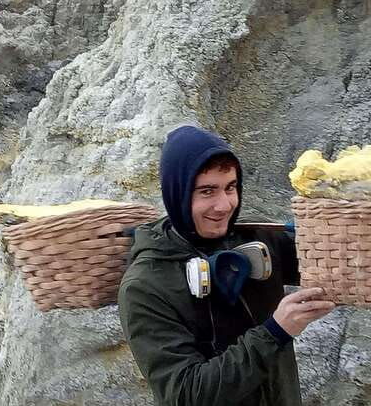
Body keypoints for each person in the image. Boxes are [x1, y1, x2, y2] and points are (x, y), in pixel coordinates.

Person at [119, 125, 335, 406]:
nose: (224, 205)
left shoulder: (260, 239)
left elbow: (341, 264)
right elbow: (185, 394)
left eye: (230, 187)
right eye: (207, 191)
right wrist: (275, 332)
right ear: (177, 193)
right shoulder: (145, 286)